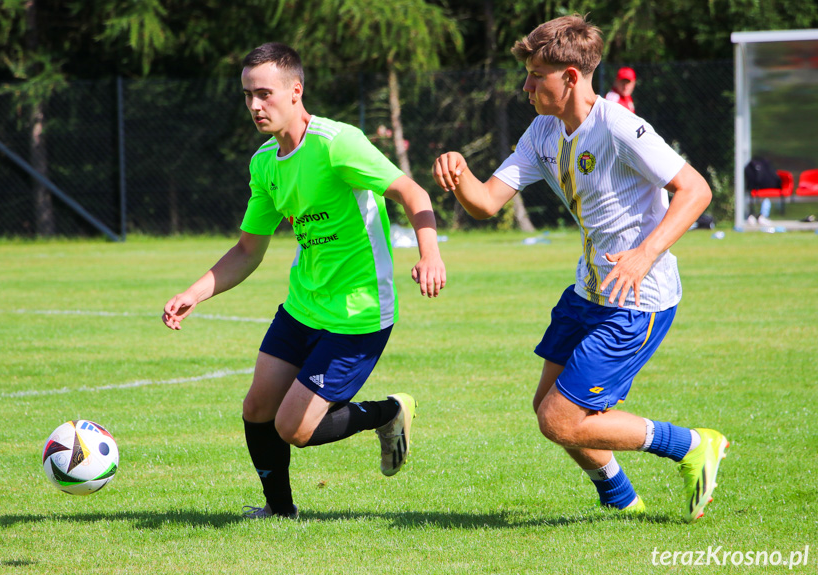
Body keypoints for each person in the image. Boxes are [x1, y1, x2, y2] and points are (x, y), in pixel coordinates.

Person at [432, 15, 727, 522]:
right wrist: (459, 171)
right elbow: (484, 203)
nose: (525, 86)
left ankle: (694, 445)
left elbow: (696, 189)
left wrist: (644, 253)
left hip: (637, 300)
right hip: (587, 291)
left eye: (535, 75)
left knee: (561, 420)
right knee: (548, 406)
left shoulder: (619, 127)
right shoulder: (542, 131)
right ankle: (620, 498)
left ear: (570, 77)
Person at [164, 42, 447, 519]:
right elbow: (248, 250)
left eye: (265, 94)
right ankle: (280, 512)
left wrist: (431, 253)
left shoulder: (337, 143)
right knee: (257, 409)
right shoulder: (264, 164)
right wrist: (195, 292)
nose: (255, 105)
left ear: (296, 91)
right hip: (303, 307)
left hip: (358, 315)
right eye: (248, 95)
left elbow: (410, 191)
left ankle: (388, 412)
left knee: (294, 428)